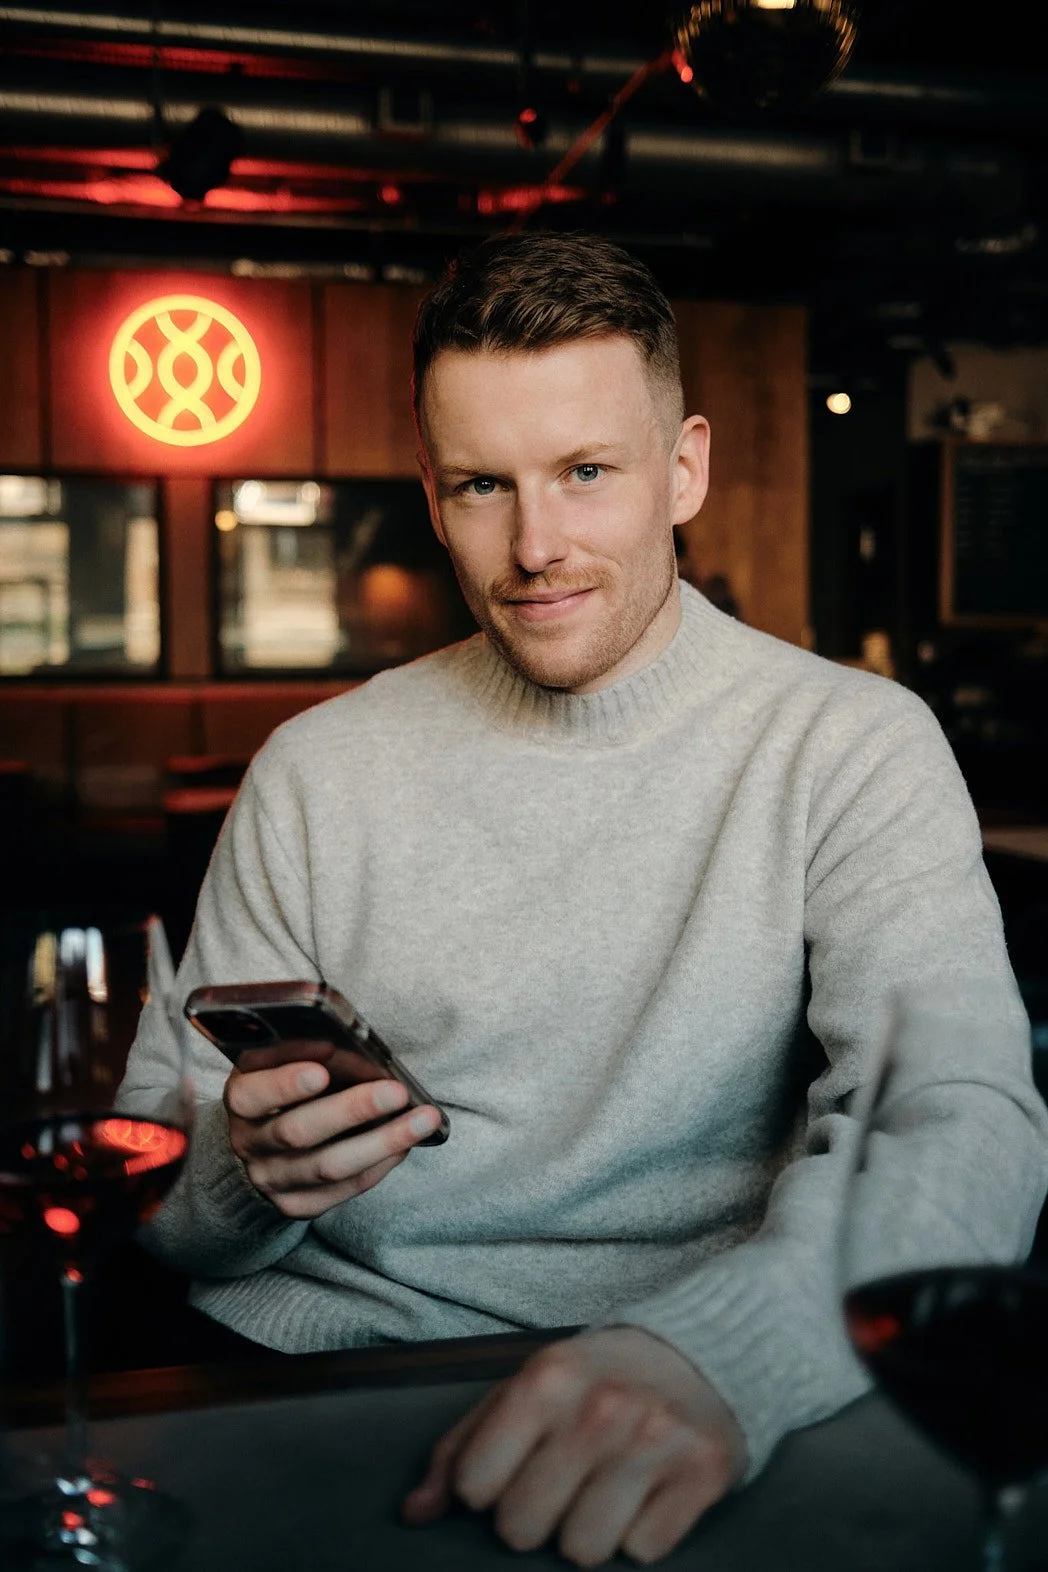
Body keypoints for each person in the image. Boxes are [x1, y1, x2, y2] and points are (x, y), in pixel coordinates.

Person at [121, 231, 1048, 1567]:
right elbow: (159, 1182)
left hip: (718, 1370)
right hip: (330, 1374)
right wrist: (242, 1175)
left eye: (587, 473)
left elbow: (959, 1129)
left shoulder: (848, 744)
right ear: (435, 501)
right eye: (483, 486)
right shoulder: (319, 770)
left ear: (686, 471)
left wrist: (730, 1354)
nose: (535, 545)